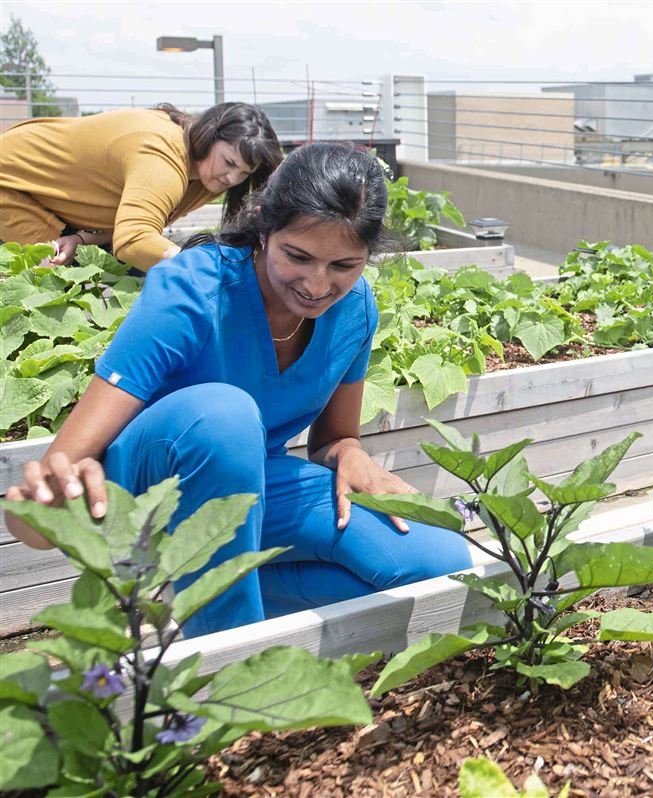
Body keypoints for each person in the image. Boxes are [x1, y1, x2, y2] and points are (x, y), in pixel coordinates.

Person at [3, 142, 472, 638]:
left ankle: (216, 602)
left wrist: (350, 451)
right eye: (298, 256)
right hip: (150, 501)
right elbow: (34, 518)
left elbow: (333, 438)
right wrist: (46, 503)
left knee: (437, 561)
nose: (317, 285)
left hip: (258, 489)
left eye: (343, 265)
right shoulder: (189, 290)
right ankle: (229, 675)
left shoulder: (354, 307)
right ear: (264, 230)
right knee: (225, 416)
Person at [0, 102, 282, 270]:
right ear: (209, 136)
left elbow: (131, 221)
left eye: (245, 173)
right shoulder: (162, 161)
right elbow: (133, 240)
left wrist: (82, 238)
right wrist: (201, 270)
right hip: (12, 183)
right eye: (229, 162)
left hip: (51, 200)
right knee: (46, 284)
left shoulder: (205, 171)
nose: (232, 179)